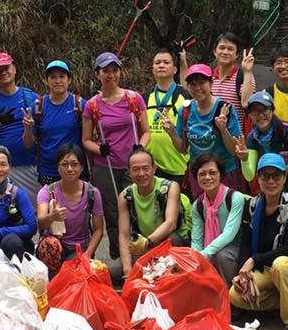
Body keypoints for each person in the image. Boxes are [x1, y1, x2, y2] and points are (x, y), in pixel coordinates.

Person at [229, 154, 288, 330]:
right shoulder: (252, 205)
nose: (271, 181)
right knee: (235, 295)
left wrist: (253, 261)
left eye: (276, 175)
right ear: (258, 178)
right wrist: (242, 273)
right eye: (265, 175)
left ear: (284, 178)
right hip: (266, 267)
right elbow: (245, 243)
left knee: (281, 264)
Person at [81, 51, 149, 261]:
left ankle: (140, 254)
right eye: (105, 71)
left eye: (114, 70)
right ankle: (119, 256)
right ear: (97, 74)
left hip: (132, 166)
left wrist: (140, 149)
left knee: (136, 208)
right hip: (106, 166)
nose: (110, 75)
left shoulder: (133, 98)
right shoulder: (92, 104)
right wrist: (99, 149)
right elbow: (86, 140)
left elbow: (146, 131)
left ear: (120, 72)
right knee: (111, 212)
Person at [164, 63, 242, 199]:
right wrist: (171, 133)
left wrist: (223, 129)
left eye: (202, 83)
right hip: (198, 175)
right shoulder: (186, 110)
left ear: (211, 83)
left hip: (223, 173)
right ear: (187, 86)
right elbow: (182, 148)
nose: (198, 88)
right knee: (201, 213)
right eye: (193, 84)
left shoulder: (225, 109)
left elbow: (234, 150)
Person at [115, 146, 190, 281]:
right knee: (112, 272)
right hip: (145, 246)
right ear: (129, 172)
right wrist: (127, 272)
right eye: (136, 169)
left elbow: (171, 223)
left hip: (169, 243)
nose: (141, 173)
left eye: (146, 168)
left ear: (154, 168)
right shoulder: (125, 196)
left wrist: (147, 242)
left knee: (172, 243)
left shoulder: (170, 187)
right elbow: (124, 235)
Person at [0, 52, 40, 205]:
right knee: (3, 212)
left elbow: (41, 130)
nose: (3, 72)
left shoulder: (31, 98)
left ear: (14, 68)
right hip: (0, 167)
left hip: (29, 164)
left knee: (33, 212)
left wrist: (29, 127)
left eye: (6, 67)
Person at [237, 91, 288, 211]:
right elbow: (249, 176)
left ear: (272, 110)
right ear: (250, 114)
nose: (260, 115)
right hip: (275, 189)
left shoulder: (287, 133)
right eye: (255, 111)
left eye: (265, 109)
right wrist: (244, 160)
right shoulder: (252, 137)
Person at [35, 144, 104, 275]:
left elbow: (98, 230)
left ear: (82, 167)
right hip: (55, 246)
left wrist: (87, 255)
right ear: (57, 167)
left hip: (80, 247)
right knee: (50, 245)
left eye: (74, 164)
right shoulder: (47, 191)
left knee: (74, 277)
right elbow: (40, 222)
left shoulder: (92, 192)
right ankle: (52, 281)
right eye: (64, 164)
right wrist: (52, 217)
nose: (69, 169)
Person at [22, 60, 85, 186]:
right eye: (53, 77)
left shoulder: (79, 104)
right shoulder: (37, 106)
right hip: (48, 171)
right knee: (50, 204)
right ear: (46, 80)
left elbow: (89, 136)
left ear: (69, 80)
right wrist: (28, 128)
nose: (57, 81)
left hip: (75, 169)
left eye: (62, 76)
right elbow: (28, 143)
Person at [189, 152, 245, 285]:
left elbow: (229, 234)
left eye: (212, 172)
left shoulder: (234, 198)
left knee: (221, 255)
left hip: (235, 249)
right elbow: (196, 239)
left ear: (220, 174)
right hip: (210, 250)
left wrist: (204, 254)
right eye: (202, 174)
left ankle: (228, 294)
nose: (207, 177)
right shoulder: (197, 205)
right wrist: (195, 257)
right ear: (196, 177)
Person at [142, 48, 189, 185]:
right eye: (157, 63)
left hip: (179, 167)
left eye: (166, 62)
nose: (161, 65)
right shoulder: (146, 96)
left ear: (175, 69)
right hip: (153, 168)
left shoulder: (184, 96)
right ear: (152, 69)